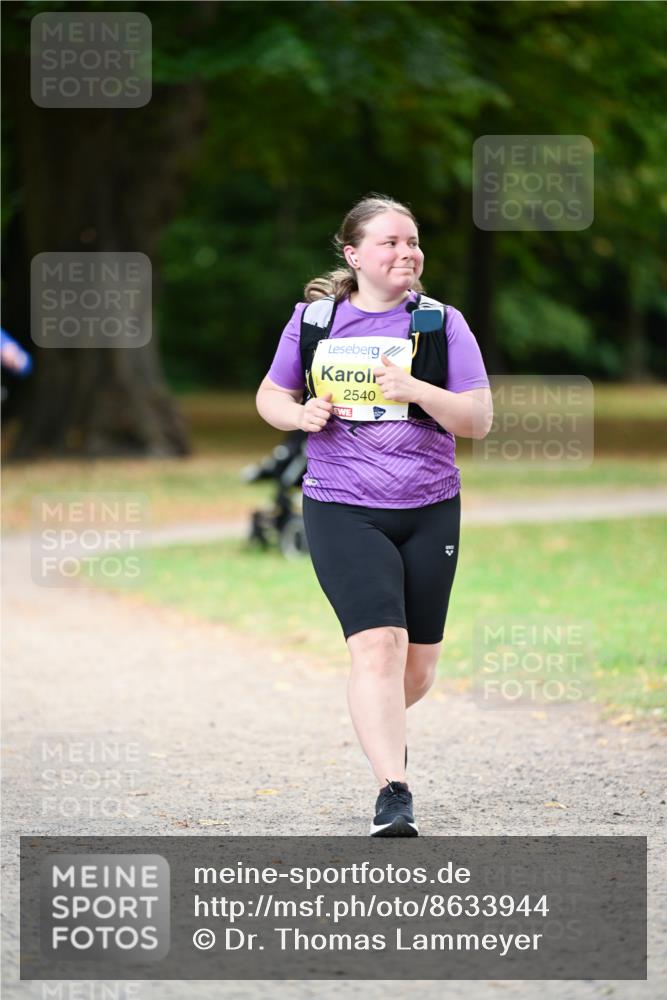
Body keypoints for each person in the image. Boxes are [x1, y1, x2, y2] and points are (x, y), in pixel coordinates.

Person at [256, 194, 492, 836]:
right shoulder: (314, 321)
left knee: (417, 667)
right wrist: (298, 415)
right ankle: (394, 791)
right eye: (390, 242)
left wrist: (416, 389)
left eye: (412, 241)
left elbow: (478, 419)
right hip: (341, 505)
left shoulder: (442, 324)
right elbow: (272, 392)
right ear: (354, 254)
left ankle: (376, 717)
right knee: (378, 650)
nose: (406, 252)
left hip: (430, 507)